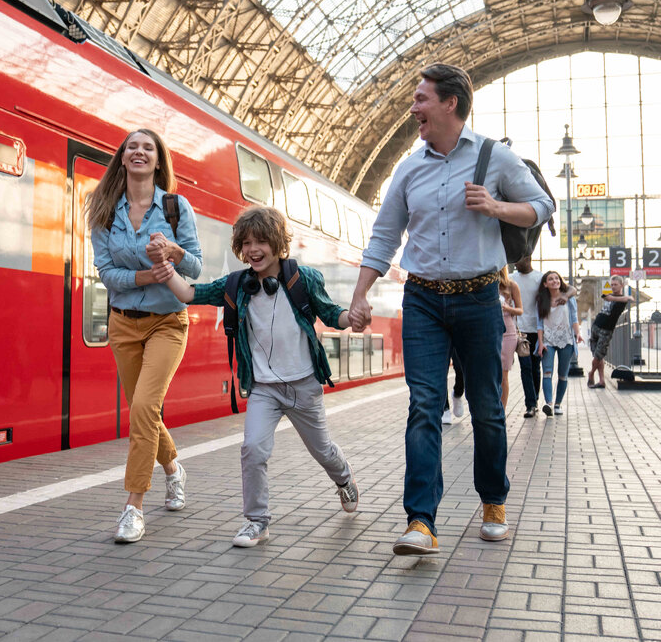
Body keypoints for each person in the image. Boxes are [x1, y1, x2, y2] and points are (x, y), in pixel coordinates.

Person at [348, 63, 554, 556]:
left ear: (450, 104)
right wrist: (360, 294)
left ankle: (493, 501)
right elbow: (383, 236)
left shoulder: (494, 157)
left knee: (486, 408)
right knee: (424, 405)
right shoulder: (408, 167)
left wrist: (498, 207)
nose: (413, 108)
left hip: (480, 298)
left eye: (421, 99)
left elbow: (542, 206)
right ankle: (421, 521)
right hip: (421, 299)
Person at [154, 206, 358, 547]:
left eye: (261, 240)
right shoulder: (237, 285)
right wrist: (166, 271)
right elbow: (191, 294)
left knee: (322, 450)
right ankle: (257, 521)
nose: (253, 249)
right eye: (246, 242)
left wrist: (352, 318)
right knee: (252, 449)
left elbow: (330, 313)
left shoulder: (302, 279)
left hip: (303, 385)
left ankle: (344, 478)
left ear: (278, 243)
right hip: (264, 388)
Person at [87, 128, 203, 544]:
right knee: (144, 411)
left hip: (166, 324)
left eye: (147, 148)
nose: (138, 152)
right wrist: (144, 275)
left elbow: (195, 267)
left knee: (143, 407)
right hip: (122, 324)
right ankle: (173, 469)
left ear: (158, 161)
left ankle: (133, 508)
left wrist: (172, 254)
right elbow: (105, 272)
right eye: (131, 147)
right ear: (122, 158)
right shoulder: (103, 209)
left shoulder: (175, 207)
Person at [536, 271, 580, 416]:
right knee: (547, 371)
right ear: (545, 284)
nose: (554, 281)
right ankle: (548, 403)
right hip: (548, 340)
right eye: (550, 279)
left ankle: (558, 404)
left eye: (556, 278)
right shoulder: (542, 300)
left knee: (563, 374)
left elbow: (574, 317)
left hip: (566, 339)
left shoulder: (569, 298)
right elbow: (540, 324)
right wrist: (541, 343)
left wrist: (577, 334)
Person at [587, 276, 634, 388]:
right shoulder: (607, 295)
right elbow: (605, 296)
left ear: (622, 285)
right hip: (596, 326)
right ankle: (602, 380)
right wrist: (611, 297)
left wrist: (612, 298)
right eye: (611, 284)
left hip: (606, 330)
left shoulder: (622, 298)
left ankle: (591, 373)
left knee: (598, 356)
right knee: (599, 356)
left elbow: (630, 299)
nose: (613, 287)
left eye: (615, 285)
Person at [512, 256, 544, 418]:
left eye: (518, 259)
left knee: (535, 367)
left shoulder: (540, 278)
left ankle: (535, 399)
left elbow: (567, 289)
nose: (515, 262)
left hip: (536, 330)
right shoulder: (511, 278)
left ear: (528, 258)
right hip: (519, 330)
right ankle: (530, 404)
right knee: (525, 367)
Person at [498, 266, 523, 409]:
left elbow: (520, 310)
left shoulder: (511, 285)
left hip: (508, 333)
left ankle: (502, 410)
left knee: (503, 374)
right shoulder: (486, 283)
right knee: (490, 373)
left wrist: (508, 308)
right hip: (489, 330)